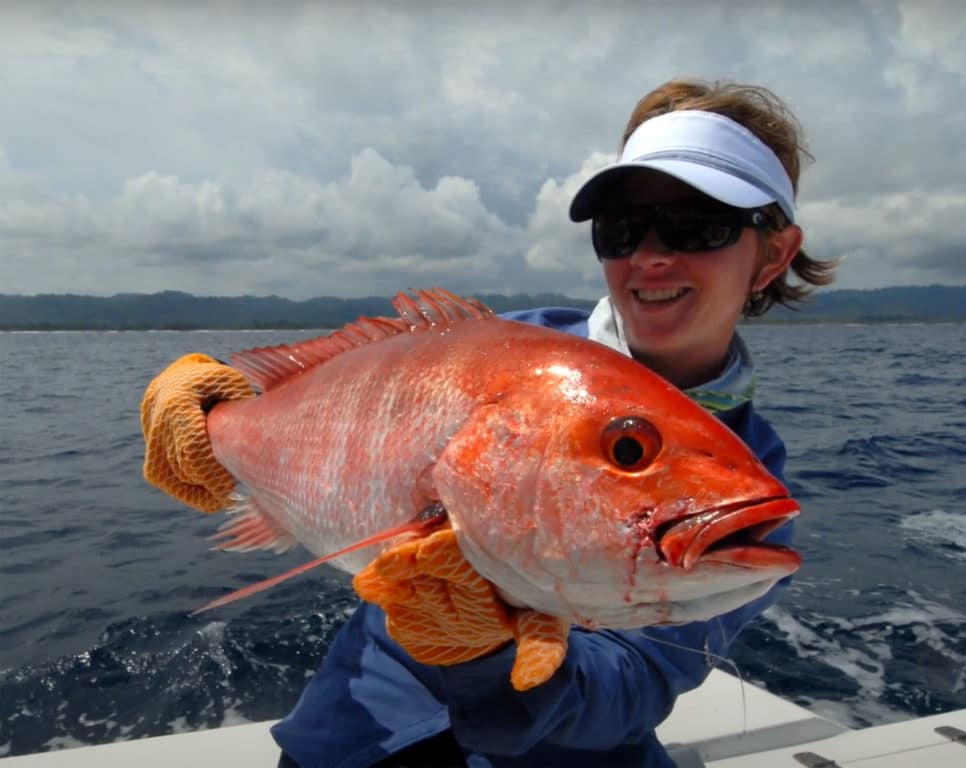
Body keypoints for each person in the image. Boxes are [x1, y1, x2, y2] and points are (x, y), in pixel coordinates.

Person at [140, 78, 836, 768]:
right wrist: (210, 418)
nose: (650, 256)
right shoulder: (506, 353)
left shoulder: (748, 490)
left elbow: (633, 681)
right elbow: (322, 432)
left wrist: (491, 659)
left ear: (773, 253)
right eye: (622, 230)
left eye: (698, 225)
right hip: (365, 731)